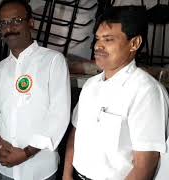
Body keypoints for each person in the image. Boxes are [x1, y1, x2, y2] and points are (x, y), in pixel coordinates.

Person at [63, 6, 169, 180]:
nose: (98, 46)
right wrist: (67, 175)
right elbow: (76, 133)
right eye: (97, 39)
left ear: (134, 43)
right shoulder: (90, 85)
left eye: (108, 39)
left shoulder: (146, 92)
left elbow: (145, 166)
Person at [0, 0, 71, 179]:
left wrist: (26, 152)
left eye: (16, 20)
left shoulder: (53, 61)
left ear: (30, 23)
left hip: (40, 170)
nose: (10, 28)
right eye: (4, 23)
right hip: (5, 169)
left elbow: (59, 115)